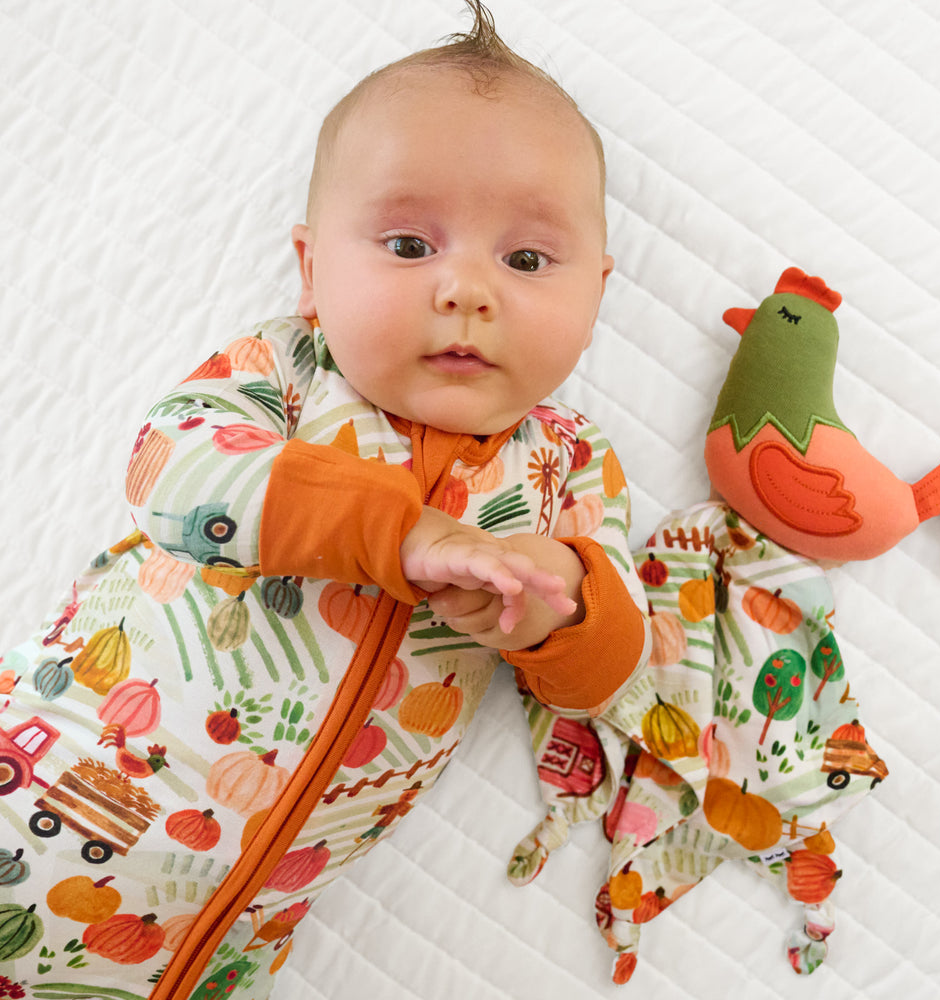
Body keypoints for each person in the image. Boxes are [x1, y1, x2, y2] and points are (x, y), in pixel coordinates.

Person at [0, 3, 648, 997]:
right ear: (311, 268)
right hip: (47, 799)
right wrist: (402, 534)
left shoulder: (569, 466)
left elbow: (610, 667)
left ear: (596, 293)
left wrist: (554, 595)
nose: (465, 289)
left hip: (231, 940)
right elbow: (171, 471)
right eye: (406, 245)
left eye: (525, 260)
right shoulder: (290, 372)